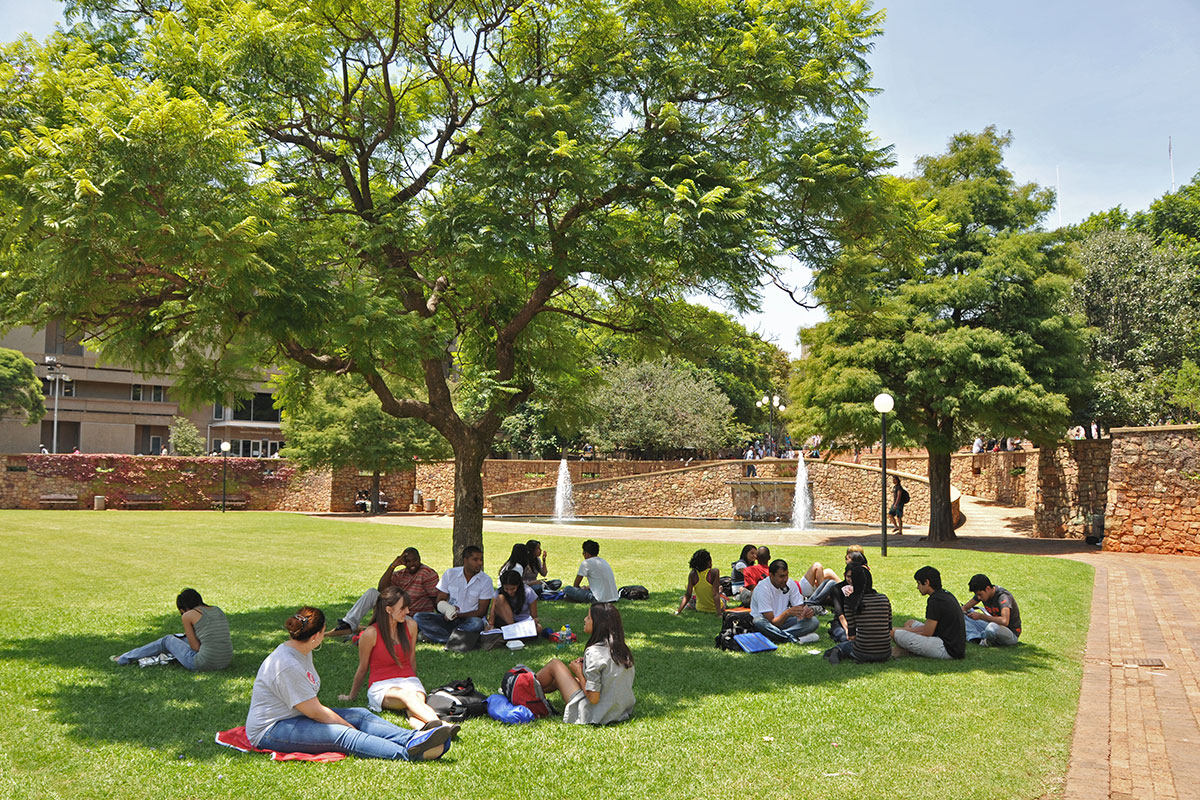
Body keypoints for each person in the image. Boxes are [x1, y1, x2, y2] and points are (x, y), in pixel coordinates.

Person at [245, 606, 452, 760]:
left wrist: (351, 721)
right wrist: (348, 726)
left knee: (360, 714)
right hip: (271, 729)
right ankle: (409, 753)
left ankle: (414, 738)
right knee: (343, 734)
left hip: (295, 715)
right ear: (316, 636)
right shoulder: (287, 664)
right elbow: (315, 712)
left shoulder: (301, 650)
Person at [337, 588, 453, 734]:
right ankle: (441, 725)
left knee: (414, 702)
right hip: (381, 685)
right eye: (403, 608)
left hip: (408, 680)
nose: (408, 611)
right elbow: (363, 667)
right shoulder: (371, 633)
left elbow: (411, 659)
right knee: (408, 696)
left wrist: (413, 680)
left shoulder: (411, 626)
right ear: (389, 610)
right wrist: (351, 696)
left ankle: (424, 729)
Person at [533, 603, 635, 725]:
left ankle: (522, 688)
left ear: (598, 624)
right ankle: (533, 697)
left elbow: (593, 698)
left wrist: (579, 672)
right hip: (618, 712)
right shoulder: (622, 650)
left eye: (588, 617)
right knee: (558, 680)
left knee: (555, 665)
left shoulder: (594, 652)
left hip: (595, 714)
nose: (585, 619)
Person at [112, 588, 232, 671]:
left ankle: (124, 658)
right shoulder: (217, 610)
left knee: (167, 640)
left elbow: (195, 648)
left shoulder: (188, 615)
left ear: (183, 608)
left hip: (203, 663)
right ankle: (150, 655)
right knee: (182, 639)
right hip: (226, 660)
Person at [330, 548, 440, 636]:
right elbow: (381, 589)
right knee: (372, 592)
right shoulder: (402, 573)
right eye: (408, 561)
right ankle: (349, 623)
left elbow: (435, 599)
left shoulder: (427, 574)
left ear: (419, 559)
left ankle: (374, 628)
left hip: (412, 618)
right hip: (396, 612)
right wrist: (393, 566)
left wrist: (435, 623)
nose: (412, 564)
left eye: (415, 560)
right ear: (403, 562)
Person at [413, 546, 493, 643]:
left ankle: (438, 636)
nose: (479, 563)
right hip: (448, 618)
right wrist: (448, 609)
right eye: (475, 560)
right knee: (419, 617)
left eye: (481, 559)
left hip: (469, 620)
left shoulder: (486, 580)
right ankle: (455, 638)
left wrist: (458, 615)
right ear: (465, 560)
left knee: (477, 623)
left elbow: (481, 612)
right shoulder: (450, 574)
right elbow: (440, 600)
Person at [892, 566, 966, 660]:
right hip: (951, 643)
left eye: (919, 583)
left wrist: (903, 630)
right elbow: (930, 628)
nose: (917, 587)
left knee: (895, 634)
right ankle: (907, 649)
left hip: (947, 648)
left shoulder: (936, 600)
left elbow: (927, 632)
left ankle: (905, 648)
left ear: (927, 582)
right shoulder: (944, 594)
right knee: (910, 623)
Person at [823, 564, 892, 664]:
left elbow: (852, 635)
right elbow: (889, 628)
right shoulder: (884, 599)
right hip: (885, 652)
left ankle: (835, 652)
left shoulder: (851, 602)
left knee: (843, 646)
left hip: (862, 652)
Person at [749, 559, 819, 644]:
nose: (785, 579)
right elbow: (773, 622)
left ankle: (777, 637)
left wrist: (806, 613)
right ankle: (792, 638)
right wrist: (787, 613)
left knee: (813, 621)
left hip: (783, 622)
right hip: (767, 624)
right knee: (758, 621)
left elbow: (800, 609)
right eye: (781, 576)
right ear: (771, 575)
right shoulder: (762, 589)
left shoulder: (790, 583)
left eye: (786, 575)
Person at [961, 574, 1021, 647]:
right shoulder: (983, 594)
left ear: (988, 588)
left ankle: (979, 637)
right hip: (991, 624)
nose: (978, 597)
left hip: (1009, 633)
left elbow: (1004, 621)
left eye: (980, 594)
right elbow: (965, 608)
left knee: (991, 628)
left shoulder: (1003, 597)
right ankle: (977, 638)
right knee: (963, 616)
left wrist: (981, 616)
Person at [565, 540, 619, 604]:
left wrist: (581, 589)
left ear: (587, 554)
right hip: (614, 597)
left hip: (598, 599)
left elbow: (576, 585)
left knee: (567, 589)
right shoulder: (603, 562)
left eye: (583, 553)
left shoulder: (586, 563)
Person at [673, 549, 722, 615]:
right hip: (714, 609)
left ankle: (690, 605)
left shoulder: (693, 574)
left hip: (700, 608)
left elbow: (688, 594)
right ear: (708, 562)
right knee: (722, 593)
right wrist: (719, 613)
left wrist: (678, 611)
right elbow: (715, 594)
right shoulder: (714, 572)